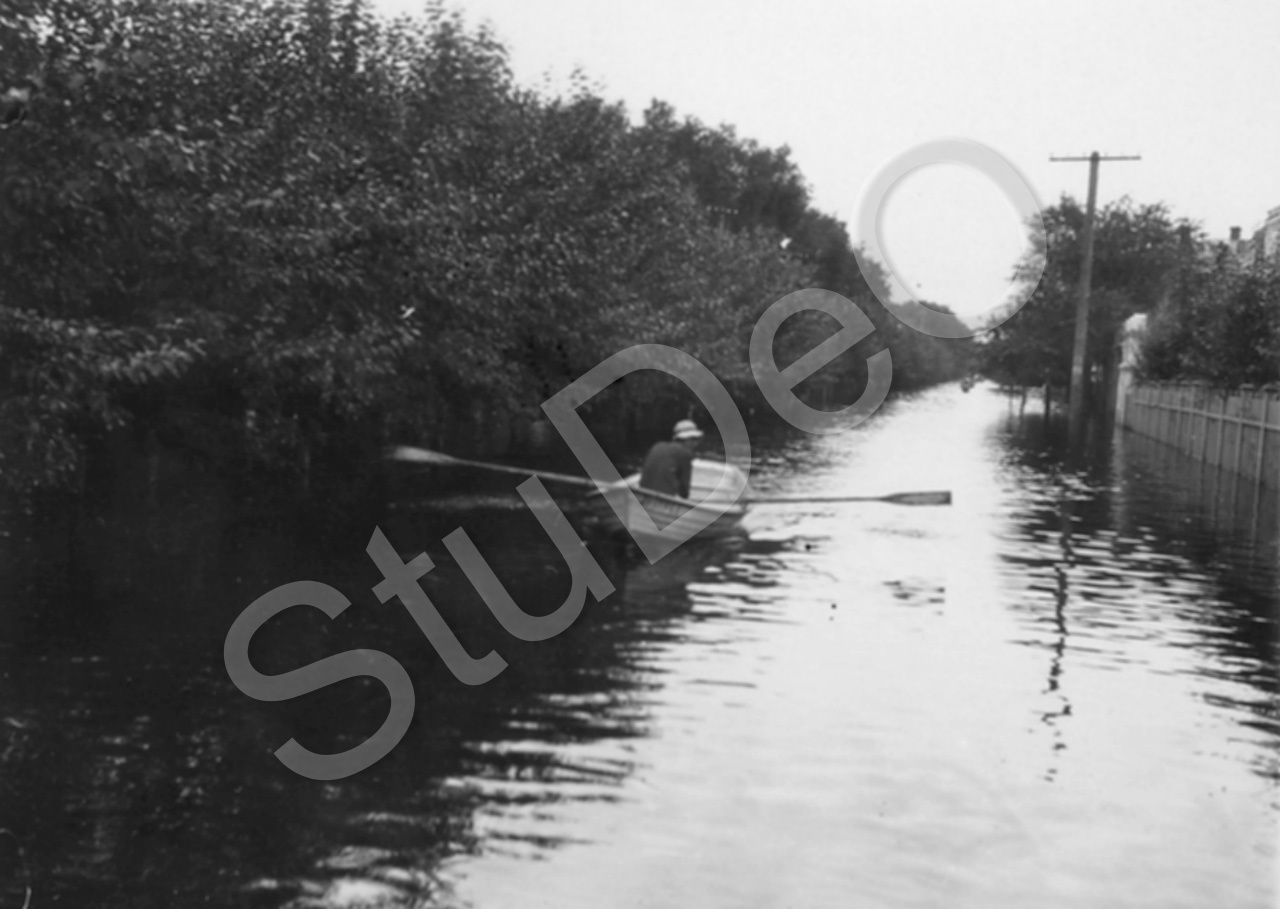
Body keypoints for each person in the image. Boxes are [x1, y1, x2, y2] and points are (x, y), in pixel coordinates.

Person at [639, 419, 703, 500]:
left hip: (642, 493)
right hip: (664, 498)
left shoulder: (657, 445)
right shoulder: (685, 453)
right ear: (688, 439)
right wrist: (685, 499)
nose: (696, 443)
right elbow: (684, 489)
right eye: (695, 439)